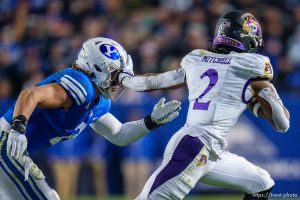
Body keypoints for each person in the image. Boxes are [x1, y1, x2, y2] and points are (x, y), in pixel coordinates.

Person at [121, 10, 290, 200]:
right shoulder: (252, 69)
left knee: (261, 183)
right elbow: (282, 125)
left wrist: (124, 80)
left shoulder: (198, 60)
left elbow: (154, 82)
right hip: (194, 147)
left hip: (211, 151)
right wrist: (267, 94)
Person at [0, 37, 181, 200]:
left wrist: (151, 122)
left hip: (11, 151)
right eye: (116, 75)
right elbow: (30, 94)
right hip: (5, 146)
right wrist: (18, 128)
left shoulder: (98, 100)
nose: (119, 83)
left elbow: (119, 134)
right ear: (97, 67)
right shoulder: (80, 84)